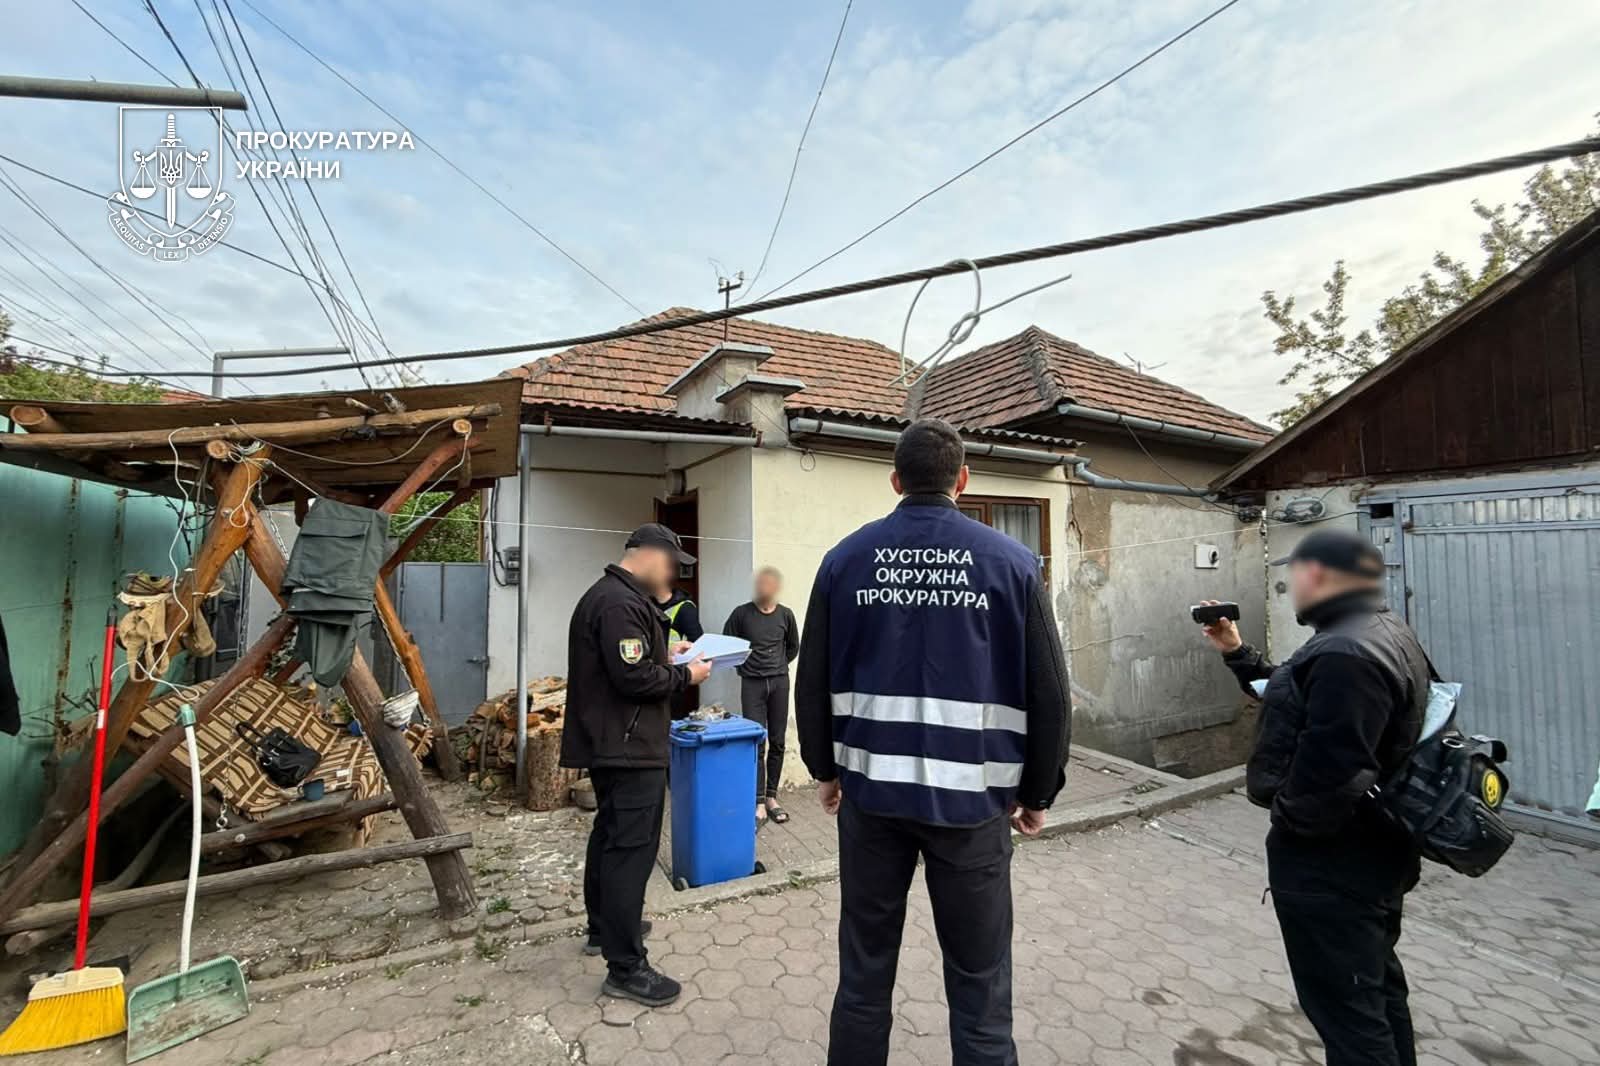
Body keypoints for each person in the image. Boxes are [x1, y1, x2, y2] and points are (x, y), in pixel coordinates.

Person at [795, 417, 1071, 1066]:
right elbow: (1051, 692)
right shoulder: (1011, 562)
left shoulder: (845, 560)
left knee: (863, 975)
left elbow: (812, 677)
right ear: (964, 479)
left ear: (895, 481)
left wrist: (825, 771)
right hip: (973, 808)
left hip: (872, 802)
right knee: (979, 989)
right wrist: (1038, 791)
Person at [1197, 528, 1430, 1066]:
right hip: (1371, 855)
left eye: (1293, 577)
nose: (1289, 588)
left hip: (1336, 865)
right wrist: (1238, 653)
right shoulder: (1373, 631)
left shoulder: (1348, 652)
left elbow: (1333, 772)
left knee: (1349, 1015)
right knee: (1373, 992)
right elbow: (1295, 690)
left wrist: (1290, 827)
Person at [561, 523, 712, 1007]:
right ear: (648, 554)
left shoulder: (613, 597)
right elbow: (633, 677)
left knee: (609, 836)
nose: (671, 574)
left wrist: (667, 653)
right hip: (629, 747)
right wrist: (685, 673)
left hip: (615, 742)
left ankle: (604, 928)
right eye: (671, 563)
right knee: (630, 851)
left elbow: (628, 662)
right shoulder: (620, 602)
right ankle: (626, 967)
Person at [724, 566, 800, 824]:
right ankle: (757, 802)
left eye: (770, 584)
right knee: (757, 743)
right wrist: (745, 667)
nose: (765, 589)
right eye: (761, 584)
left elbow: (793, 647)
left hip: (779, 683)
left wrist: (778, 666)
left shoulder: (786, 615)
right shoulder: (741, 614)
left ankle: (771, 797)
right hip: (753, 685)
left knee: (778, 741)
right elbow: (728, 644)